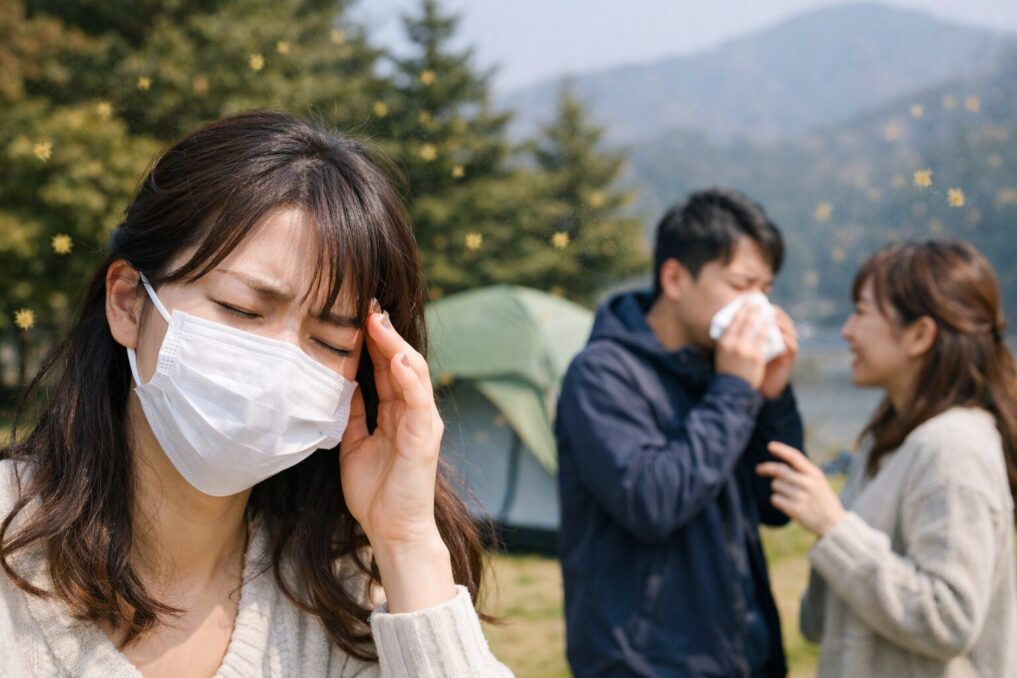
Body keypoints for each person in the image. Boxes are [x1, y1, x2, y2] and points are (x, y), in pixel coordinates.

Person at [0, 111, 512, 677]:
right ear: (127, 303)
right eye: (242, 310)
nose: (280, 366)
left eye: (329, 340)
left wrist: (406, 541)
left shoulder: (344, 592)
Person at [556, 189, 805, 677]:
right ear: (674, 277)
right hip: (644, 663)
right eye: (741, 284)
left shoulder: (722, 370)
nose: (756, 305)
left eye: (766, 290)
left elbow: (777, 505)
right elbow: (652, 500)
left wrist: (771, 398)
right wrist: (735, 390)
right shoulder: (602, 375)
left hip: (739, 655)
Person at [757, 240, 1017, 676]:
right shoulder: (886, 442)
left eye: (861, 312)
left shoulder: (952, 449)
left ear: (920, 335)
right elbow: (818, 624)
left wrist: (833, 527)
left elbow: (948, 619)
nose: (847, 331)